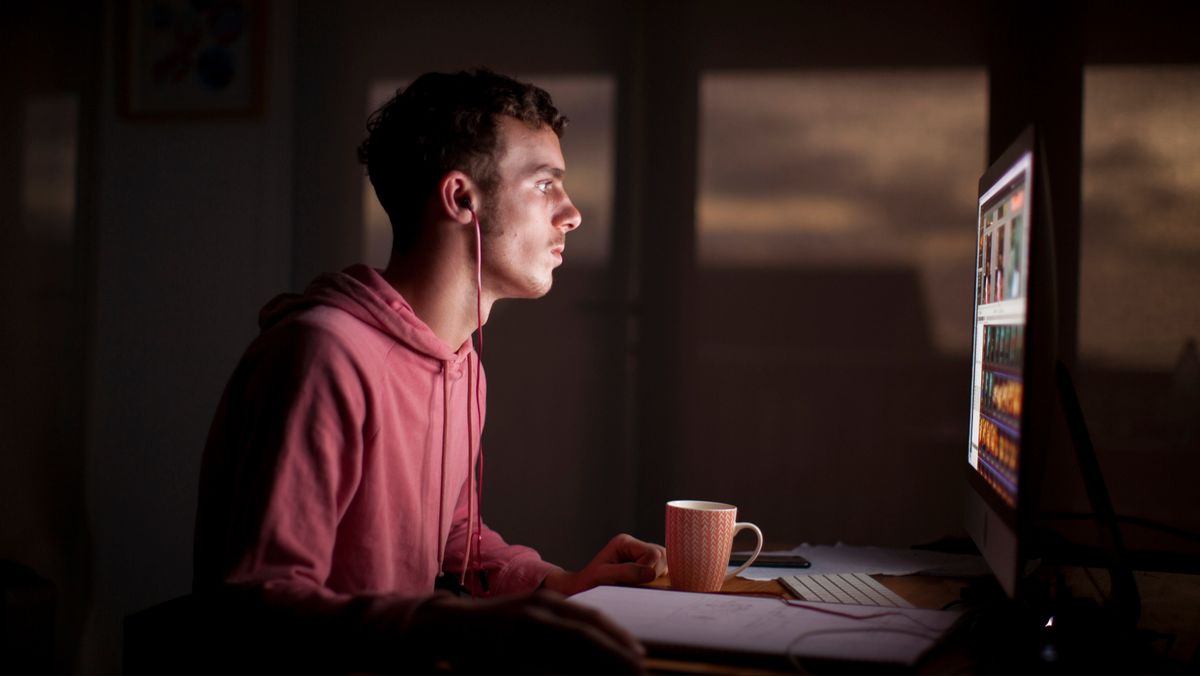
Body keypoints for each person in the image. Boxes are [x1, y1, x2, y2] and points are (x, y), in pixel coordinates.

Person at [191, 69, 666, 673]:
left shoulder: (460, 362)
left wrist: (559, 584)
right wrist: (454, 625)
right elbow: (255, 602)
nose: (571, 214)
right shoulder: (323, 356)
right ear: (461, 198)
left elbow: (454, 536)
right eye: (546, 184)